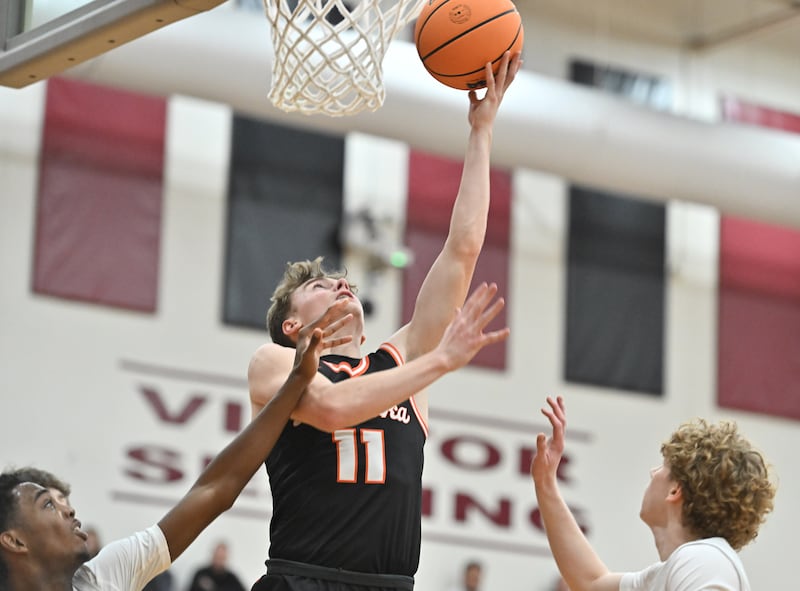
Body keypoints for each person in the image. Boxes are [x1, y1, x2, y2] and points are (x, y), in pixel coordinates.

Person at [247, 51, 521, 591]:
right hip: (303, 580)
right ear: (292, 326)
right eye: (320, 286)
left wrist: (482, 130)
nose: (341, 285)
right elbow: (328, 409)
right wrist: (441, 360)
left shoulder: (401, 358)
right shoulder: (275, 363)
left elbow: (463, 248)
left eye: (344, 281)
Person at [0, 302, 354, 591]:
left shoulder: (105, 575)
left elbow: (215, 489)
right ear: (14, 541)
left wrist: (296, 381)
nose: (70, 512)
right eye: (48, 504)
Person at [530, 396, 777, 591]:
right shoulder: (677, 569)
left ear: (675, 489)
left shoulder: (704, 559)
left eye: (663, 466)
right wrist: (545, 482)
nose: (652, 472)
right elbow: (590, 583)